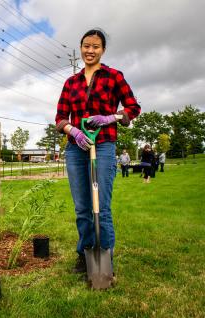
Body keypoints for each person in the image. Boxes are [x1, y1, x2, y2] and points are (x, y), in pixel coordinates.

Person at [55, 29, 141, 275]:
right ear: (81, 48)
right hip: (76, 148)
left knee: (101, 207)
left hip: (103, 145)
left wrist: (110, 117)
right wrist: (73, 131)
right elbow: (60, 117)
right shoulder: (71, 82)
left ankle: (106, 259)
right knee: (82, 208)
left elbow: (133, 107)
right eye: (86, 46)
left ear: (102, 50)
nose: (90, 51)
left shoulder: (114, 76)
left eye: (95, 46)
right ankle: (85, 255)